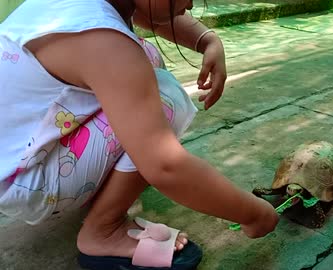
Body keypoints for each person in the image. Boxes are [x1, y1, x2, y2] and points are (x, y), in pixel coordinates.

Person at [0, 0, 279, 269]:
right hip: (28, 183)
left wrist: (208, 40)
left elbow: (151, 15)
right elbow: (165, 165)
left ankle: (98, 194)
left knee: (145, 58)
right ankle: (103, 232)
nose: (191, 5)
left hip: (14, 160)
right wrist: (253, 214)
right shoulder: (102, 39)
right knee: (163, 97)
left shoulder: (82, 9)